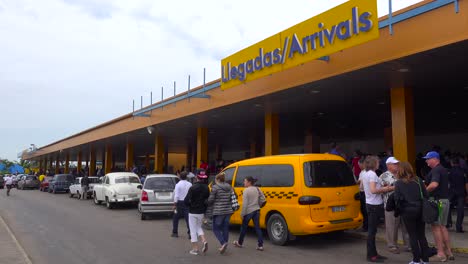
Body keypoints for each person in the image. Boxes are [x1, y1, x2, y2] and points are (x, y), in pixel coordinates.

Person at [394, 162, 430, 264]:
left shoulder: (399, 183)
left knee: (412, 235)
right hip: (420, 209)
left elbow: (397, 199)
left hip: (407, 211)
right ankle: (426, 260)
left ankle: (416, 260)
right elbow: (426, 195)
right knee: (421, 235)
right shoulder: (418, 180)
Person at [424, 151, 454, 262]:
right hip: (444, 201)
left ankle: (441, 253)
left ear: (435, 159)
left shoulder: (436, 170)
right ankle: (449, 252)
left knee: (436, 228)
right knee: (443, 227)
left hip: (437, 201)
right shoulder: (443, 169)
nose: (426, 161)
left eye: (428, 159)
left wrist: (424, 192)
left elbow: (434, 184)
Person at [362, 155, 392, 262]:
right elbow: (373, 190)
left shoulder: (365, 173)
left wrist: (381, 187)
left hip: (370, 203)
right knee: (372, 231)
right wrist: (387, 188)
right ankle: (371, 255)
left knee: (372, 231)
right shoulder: (372, 174)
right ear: (374, 163)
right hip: (374, 205)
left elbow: (365, 187)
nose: (379, 163)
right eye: (378, 162)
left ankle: (373, 253)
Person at [379, 157, 410, 254]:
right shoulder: (383, 176)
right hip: (391, 205)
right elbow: (380, 190)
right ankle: (392, 246)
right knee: (392, 227)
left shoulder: (402, 174)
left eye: (397, 163)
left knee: (407, 226)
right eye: (394, 164)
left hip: (403, 204)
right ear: (388, 165)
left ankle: (408, 245)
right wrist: (395, 187)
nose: (397, 165)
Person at [233, 176, 265, 251]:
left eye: (245, 181)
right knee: (257, 228)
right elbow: (263, 199)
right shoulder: (257, 189)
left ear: (249, 182)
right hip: (257, 210)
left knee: (243, 228)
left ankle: (240, 243)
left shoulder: (246, 191)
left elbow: (245, 204)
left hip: (249, 211)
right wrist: (258, 205)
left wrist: (242, 214)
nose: (244, 182)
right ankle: (260, 245)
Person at [184, 171, 210, 255]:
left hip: (192, 211)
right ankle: (204, 240)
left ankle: (195, 249)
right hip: (201, 211)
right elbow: (207, 200)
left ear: (196, 177)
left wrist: (189, 205)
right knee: (199, 227)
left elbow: (186, 200)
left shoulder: (193, 187)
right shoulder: (206, 187)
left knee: (193, 230)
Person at [208, 172, 234, 254]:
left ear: (218, 179)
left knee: (215, 228)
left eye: (215, 179)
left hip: (219, 211)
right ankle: (224, 244)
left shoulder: (215, 188)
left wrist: (206, 201)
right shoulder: (229, 187)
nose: (215, 181)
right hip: (228, 210)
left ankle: (223, 243)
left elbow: (211, 200)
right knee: (225, 228)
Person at [447, 158, 466, 233]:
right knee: (460, 210)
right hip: (461, 193)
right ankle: (458, 228)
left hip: (451, 193)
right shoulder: (463, 171)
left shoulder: (449, 171)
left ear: (452, 163)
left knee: (446, 206)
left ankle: (448, 222)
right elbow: (466, 184)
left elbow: (447, 183)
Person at [172, 171, 192, 238]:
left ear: (180, 177)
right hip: (187, 203)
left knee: (175, 218)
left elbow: (176, 195)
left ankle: (175, 233)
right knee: (188, 218)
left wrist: (174, 204)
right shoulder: (190, 184)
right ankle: (190, 234)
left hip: (179, 203)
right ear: (186, 177)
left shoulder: (178, 185)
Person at [356, 157, 368, 232]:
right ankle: (364, 225)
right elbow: (359, 181)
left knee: (365, 211)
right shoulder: (361, 172)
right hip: (361, 192)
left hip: (365, 193)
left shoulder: (367, 172)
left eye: (359, 165)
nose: (359, 166)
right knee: (363, 210)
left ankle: (366, 226)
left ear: (363, 164)